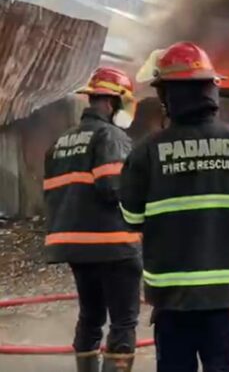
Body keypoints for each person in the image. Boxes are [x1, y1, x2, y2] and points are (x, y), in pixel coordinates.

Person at [119, 41, 229, 372]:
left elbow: (131, 218)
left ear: (166, 96)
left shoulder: (145, 151)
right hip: (221, 293)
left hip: (169, 295)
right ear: (212, 90)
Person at [43, 67, 141, 372]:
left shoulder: (60, 143)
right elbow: (114, 188)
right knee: (123, 320)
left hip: (74, 245)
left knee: (90, 316)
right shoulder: (110, 136)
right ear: (113, 103)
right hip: (113, 244)